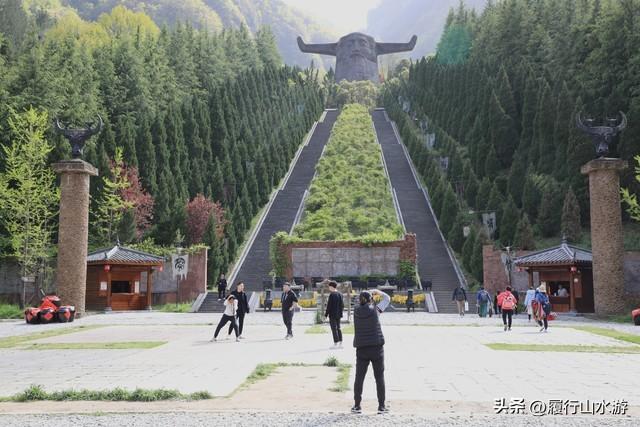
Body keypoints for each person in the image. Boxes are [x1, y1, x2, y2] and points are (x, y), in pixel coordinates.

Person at [352, 289, 391, 415]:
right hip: (376, 348)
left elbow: (358, 303)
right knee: (379, 378)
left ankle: (357, 406)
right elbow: (387, 299)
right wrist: (377, 291)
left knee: (359, 377)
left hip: (361, 348)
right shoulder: (376, 310)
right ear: (371, 300)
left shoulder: (356, 311)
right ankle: (381, 406)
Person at [325, 281, 344, 348]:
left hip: (332, 314)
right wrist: (340, 312)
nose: (329, 288)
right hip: (339, 314)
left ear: (331, 287)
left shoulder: (332, 294)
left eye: (329, 287)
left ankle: (336, 343)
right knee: (338, 328)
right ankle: (341, 343)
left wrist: (326, 314)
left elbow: (329, 306)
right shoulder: (340, 294)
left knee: (334, 328)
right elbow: (342, 305)